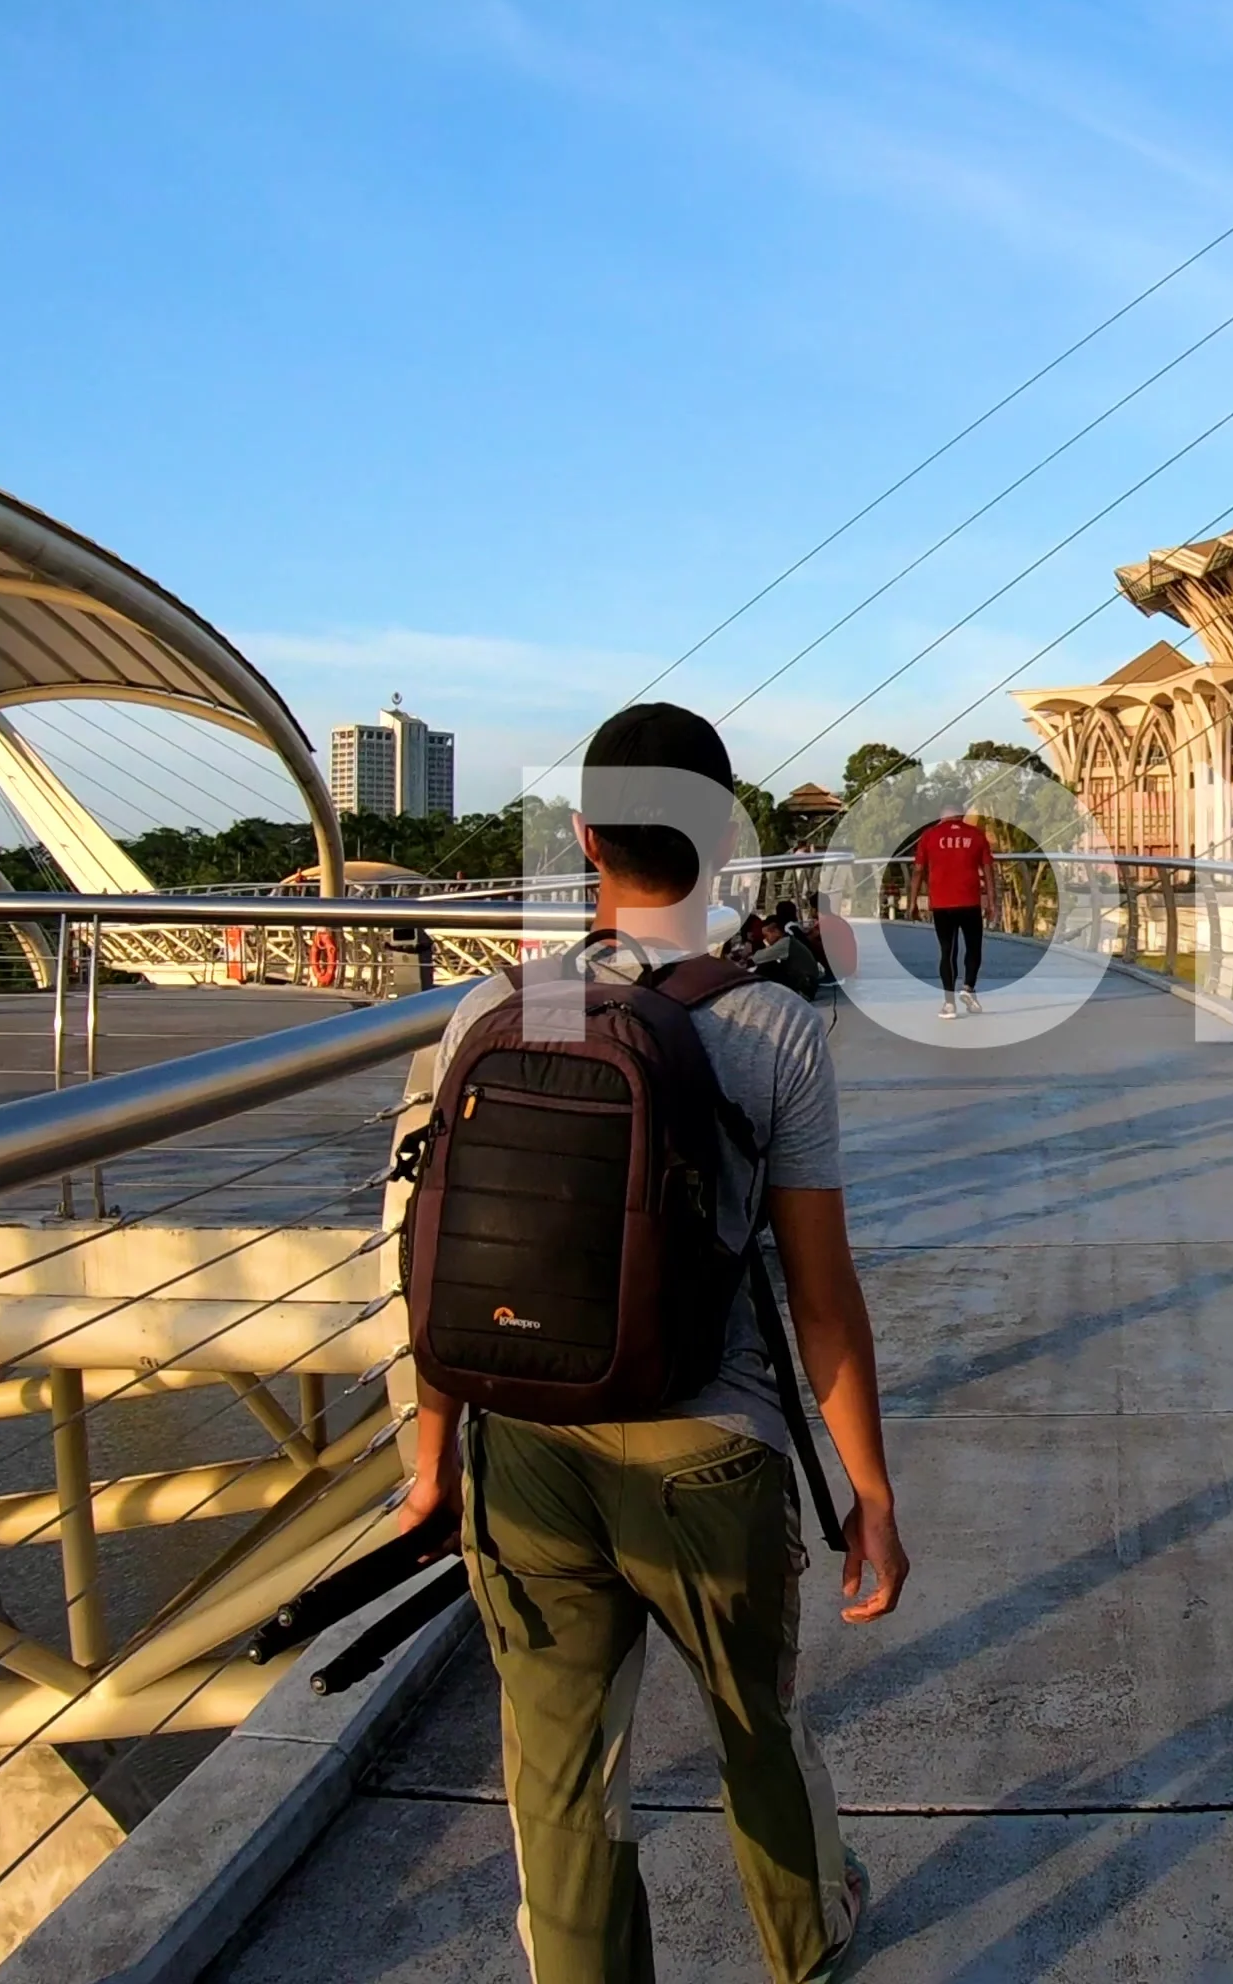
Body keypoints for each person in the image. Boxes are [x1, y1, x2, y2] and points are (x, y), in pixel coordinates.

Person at [400, 702, 909, 1984]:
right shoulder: (773, 1025)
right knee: (759, 1731)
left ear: (583, 839)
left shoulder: (498, 1014)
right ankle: (807, 1946)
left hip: (524, 1443)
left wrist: (429, 1460)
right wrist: (871, 1492)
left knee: (562, 1777)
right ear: (726, 840)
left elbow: (429, 1264)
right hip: (707, 1448)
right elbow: (821, 1294)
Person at [912, 805, 994, 1017]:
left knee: (947, 951)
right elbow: (988, 869)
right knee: (973, 947)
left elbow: (918, 870)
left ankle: (949, 1004)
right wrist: (992, 902)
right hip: (970, 902)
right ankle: (968, 988)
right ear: (961, 816)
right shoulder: (976, 835)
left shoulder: (929, 836)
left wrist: (912, 902)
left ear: (942, 818)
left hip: (942, 904)